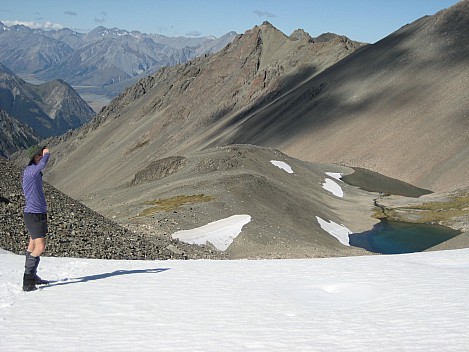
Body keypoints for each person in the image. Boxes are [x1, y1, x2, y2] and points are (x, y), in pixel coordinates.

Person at [22, 145, 51, 292]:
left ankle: (32, 276)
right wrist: (47, 153)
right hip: (34, 214)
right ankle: (28, 280)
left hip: (34, 213)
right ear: (35, 157)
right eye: (39, 154)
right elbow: (43, 163)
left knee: (32, 245)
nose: (41, 156)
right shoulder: (32, 171)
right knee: (40, 247)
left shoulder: (30, 171)